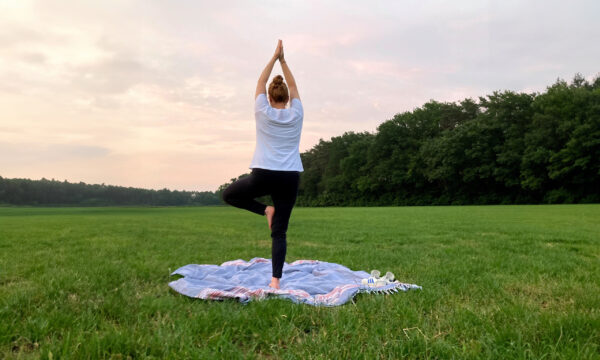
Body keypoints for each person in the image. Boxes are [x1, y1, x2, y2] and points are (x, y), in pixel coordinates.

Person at [222, 40, 303, 290]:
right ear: (288, 98)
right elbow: (293, 85)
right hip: (290, 177)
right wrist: (284, 61)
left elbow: (260, 82)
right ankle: (275, 281)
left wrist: (273, 58)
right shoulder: (297, 113)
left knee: (229, 195)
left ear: (268, 97)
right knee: (279, 232)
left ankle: (264, 210)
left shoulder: (262, 111)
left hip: (264, 174)